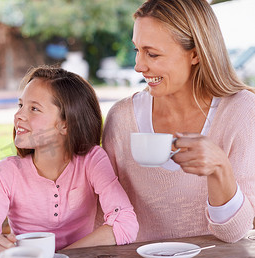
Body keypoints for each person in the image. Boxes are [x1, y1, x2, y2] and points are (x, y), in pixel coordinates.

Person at [102, 0, 255, 243]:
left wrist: (219, 169)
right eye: (137, 50)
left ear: (195, 54)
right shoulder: (122, 119)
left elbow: (235, 232)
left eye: (152, 53)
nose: (138, 66)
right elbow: (104, 216)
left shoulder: (242, 111)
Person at [0, 66, 139, 258]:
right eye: (20, 105)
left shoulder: (92, 160)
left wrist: (58, 257)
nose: (18, 115)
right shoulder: (7, 172)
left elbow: (125, 223)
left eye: (34, 108)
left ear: (66, 124)